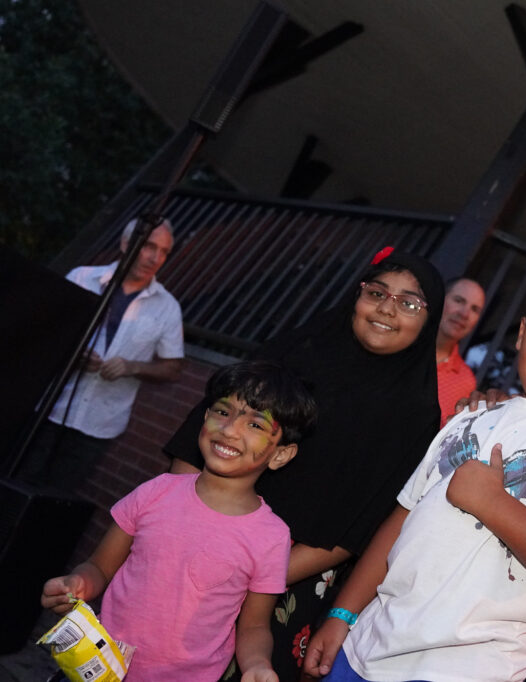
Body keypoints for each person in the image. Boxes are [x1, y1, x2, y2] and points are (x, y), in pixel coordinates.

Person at [302, 271, 526, 682]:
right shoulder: (471, 417)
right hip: (365, 646)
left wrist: (492, 503)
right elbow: (402, 519)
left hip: (465, 669)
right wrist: (341, 614)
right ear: (522, 332)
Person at [164, 247, 444, 680]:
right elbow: (202, 432)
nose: (387, 309)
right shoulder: (295, 349)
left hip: (283, 581)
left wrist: (246, 573)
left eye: (409, 303)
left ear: (428, 322)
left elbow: (357, 527)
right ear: (358, 295)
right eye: (377, 292)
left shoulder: (414, 413)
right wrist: (184, 524)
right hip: (186, 541)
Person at [40, 360, 318, 681]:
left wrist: (256, 665)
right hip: (98, 669)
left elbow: (254, 625)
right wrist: (77, 584)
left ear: (281, 454)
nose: (229, 430)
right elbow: (100, 567)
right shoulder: (156, 492)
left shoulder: (271, 536)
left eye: (255, 425)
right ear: (204, 417)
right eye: (223, 412)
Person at [20, 216, 183, 491]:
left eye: (164, 251)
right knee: (15, 481)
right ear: (125, 243)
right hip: (48, 408)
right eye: (149, 246)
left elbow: (173, 367)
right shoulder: (82, 278)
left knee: (54, 502)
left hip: (99, 424)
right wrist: (72, 352)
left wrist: (133, 367)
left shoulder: (167, 307)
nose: (155, 257)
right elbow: (41, 330)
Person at [435, 277, 486, 425]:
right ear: (440, 299)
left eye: (474, 309)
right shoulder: (399, 342)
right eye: (459, 301)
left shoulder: (466, 382)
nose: (465, 314)